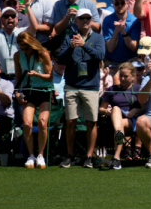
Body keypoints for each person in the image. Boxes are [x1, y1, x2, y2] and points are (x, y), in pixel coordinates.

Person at [58, 9, 105, 169]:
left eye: (87, 18)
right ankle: (70, 155)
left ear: (91, 20)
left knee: (91, 122)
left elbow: (100, 56)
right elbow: (61, 59)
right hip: (72, 85)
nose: (85, 20)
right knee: (70, 121)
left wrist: (84, 46)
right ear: (76, 21)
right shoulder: (68, 38)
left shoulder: (98, 38)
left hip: (90, 86)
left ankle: (89, 156)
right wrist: (71, 47)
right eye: (81, 18)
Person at [13, 32, 53, 170]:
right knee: (27, 123)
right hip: (28, 91)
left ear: (32, 45)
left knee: (42, 123)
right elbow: (18, 77)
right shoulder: (18, 56)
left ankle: (40, 155)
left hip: (44, 91)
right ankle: (31, 155)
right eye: (22, 48)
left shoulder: (43, 54)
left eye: (27, 48)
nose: (25, 51)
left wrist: (37, 74)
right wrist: (17, 92)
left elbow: (50, 76)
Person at [99, 62, 142, 170]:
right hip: (113, 119)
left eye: (125, 76)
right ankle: (118, 135)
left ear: (133, 76)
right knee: (116, 108)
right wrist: (106, 111)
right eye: (121, 75)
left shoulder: (138, 89)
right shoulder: (111, 89)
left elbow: (145, 108)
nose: (122, 78)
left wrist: (136, 109)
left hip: (130, 120)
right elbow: (100, 109)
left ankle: (117, 158)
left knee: (120, 126)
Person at [102, 0, 141, 69]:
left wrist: (123, 32)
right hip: (112, 63)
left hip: (131, 62)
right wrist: (116, 31)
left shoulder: (135, 20)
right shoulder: (107, 20)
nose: (120, 5)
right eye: (117, 3)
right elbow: (110, 48)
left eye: (122, 3)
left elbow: (133, 47)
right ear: (113, 4)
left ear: (127, 3)